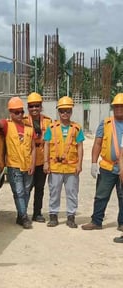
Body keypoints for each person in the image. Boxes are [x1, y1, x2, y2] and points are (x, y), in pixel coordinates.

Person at [0, 96, 36, 229]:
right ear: (10, 113)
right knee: (19, 192)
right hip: (14, 166)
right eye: (16, 112)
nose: (19, 114)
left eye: (21, 112)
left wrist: (32, 165)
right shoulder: (7, 125)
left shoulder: (29, 129)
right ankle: (24, 217)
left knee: (26, 191)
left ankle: (21, 216)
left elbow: (33, 148)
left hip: (27, 166)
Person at [82, 93, 123, 234]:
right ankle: (96, 221)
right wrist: (93, 163)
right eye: (116, 106)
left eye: (121, 107)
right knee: (101, 195)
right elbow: (97, 144)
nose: (119, 109)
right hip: (107, 166)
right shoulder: (106, 123)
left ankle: (122, 223)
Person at [43, 96, 84, 228]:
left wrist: (79, 164)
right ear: (58, 112)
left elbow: (80, 146)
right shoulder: (51, 127)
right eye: (62, 111)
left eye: (67, 110)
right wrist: (46, 162)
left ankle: (71, 216)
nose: (65, 113)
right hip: (55, 166)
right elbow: (47, 145)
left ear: (71, 111)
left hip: (71, 167)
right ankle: (53, 215)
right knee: (54, 191)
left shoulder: (76, 128)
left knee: (72, 192)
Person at [24, 92, 52, 222]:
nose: (34, 109)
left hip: (41, 160)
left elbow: (50, 142)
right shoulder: (23, 121)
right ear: (28, 107)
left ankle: (37, 213)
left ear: (41, 106)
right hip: (28, 160)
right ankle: (22, 214)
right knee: (26, 189)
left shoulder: (48, 121)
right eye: (31, 106)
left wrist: (48, 161)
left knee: (39, 188)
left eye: (37, 106)